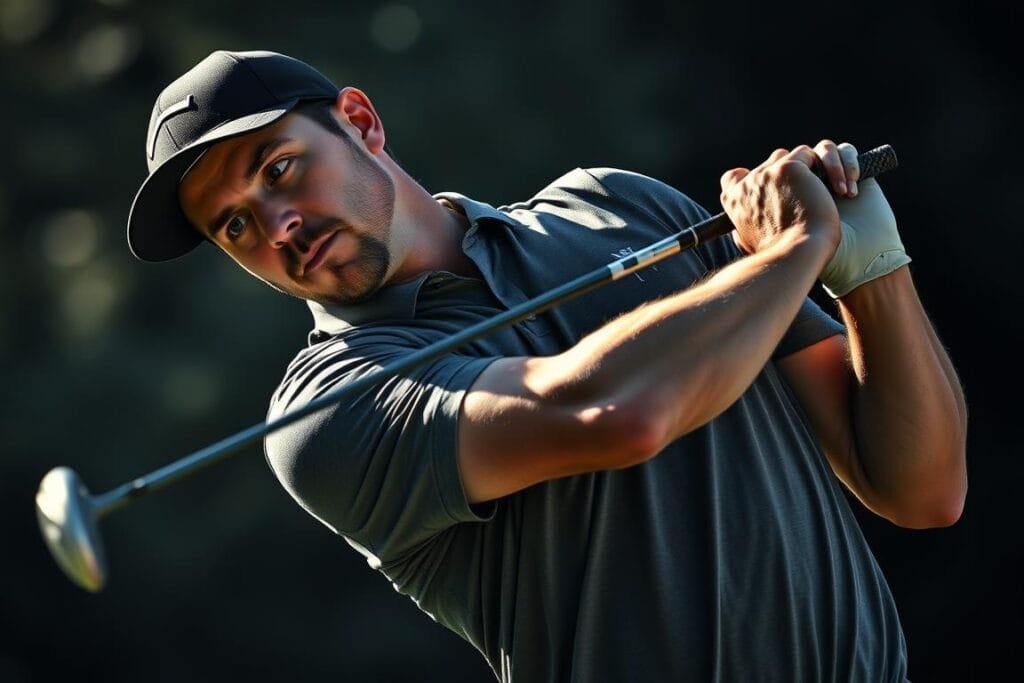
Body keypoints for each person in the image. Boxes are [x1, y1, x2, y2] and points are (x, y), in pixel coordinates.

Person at [126, 50, 967, 682]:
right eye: (235, 227)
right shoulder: (325, 409)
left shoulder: (618, 204)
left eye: (279, 170)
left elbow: (920, 487)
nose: (277, 227)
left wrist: (872, 272)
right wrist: (793, 250)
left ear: (360, 120)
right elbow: (613, 414)